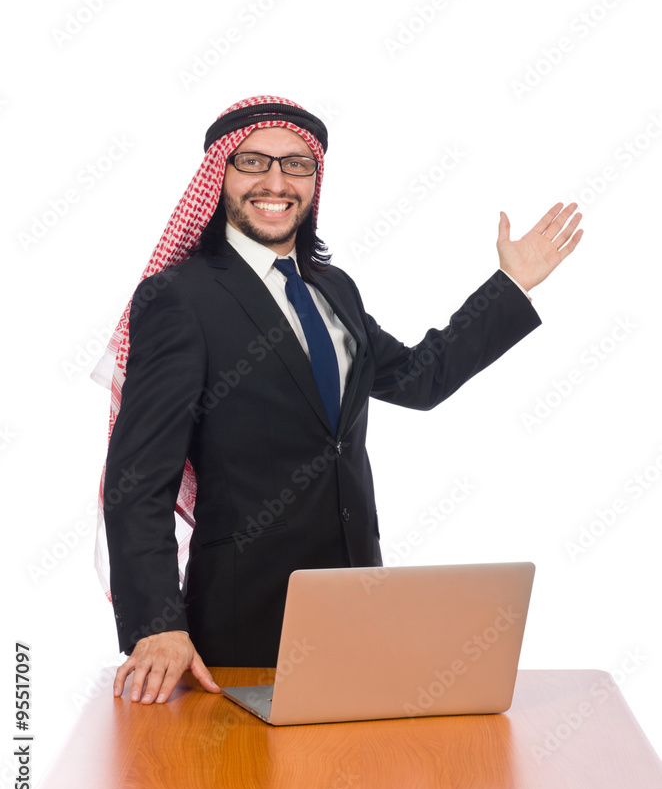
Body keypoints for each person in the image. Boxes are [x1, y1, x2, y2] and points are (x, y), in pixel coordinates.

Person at [97, 95, 582, 706]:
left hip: (355, 605)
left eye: (296, 165)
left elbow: (419, 379)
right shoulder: (179, 298)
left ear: (314, 181)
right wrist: (157, 623)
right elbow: (139, 480)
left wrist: (511, 287)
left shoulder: (334, 290)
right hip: (240, 624)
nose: (276, 182)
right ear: (220, 174)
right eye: (254, 161)